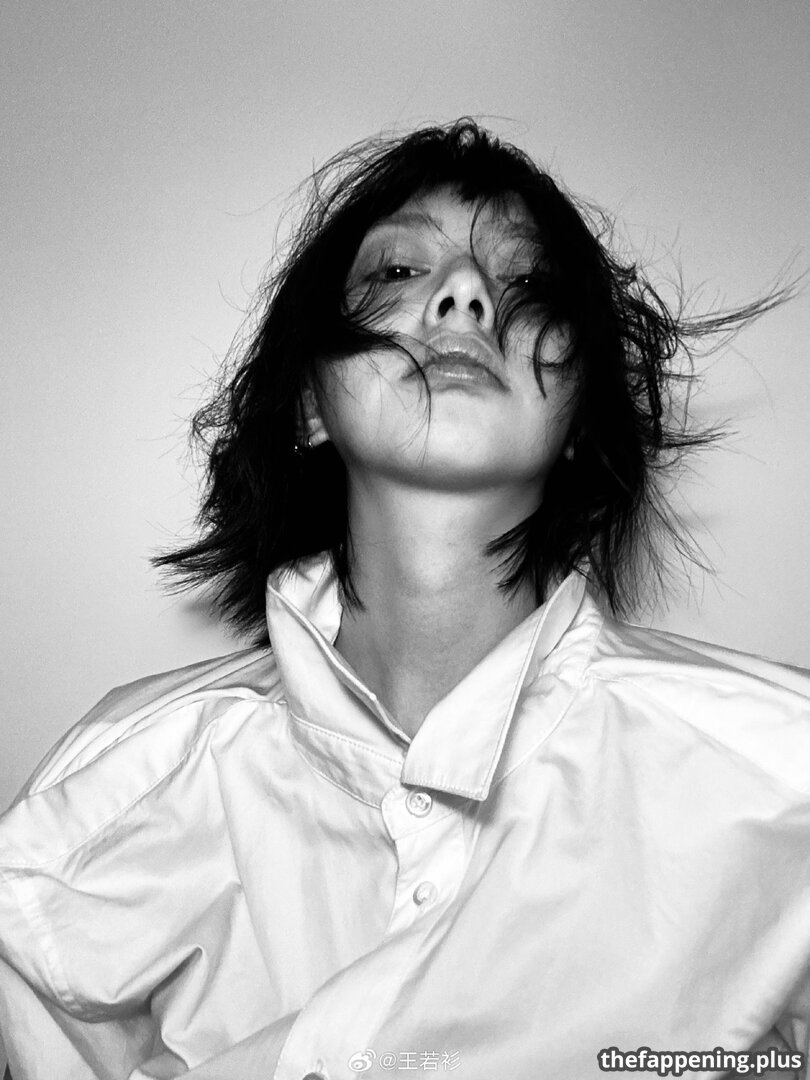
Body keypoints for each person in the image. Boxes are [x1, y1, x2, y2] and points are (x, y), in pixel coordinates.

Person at [0, 119, 808, 1080]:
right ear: (310, 403)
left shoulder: (783, 781)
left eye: (527, 281)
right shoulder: (95, 810)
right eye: (397, 271)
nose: (467, 295)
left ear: (580, 421)